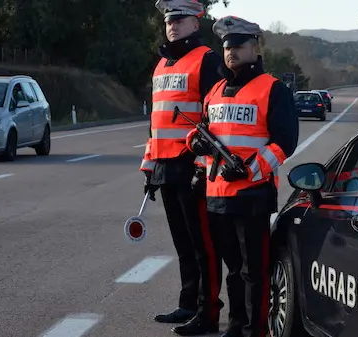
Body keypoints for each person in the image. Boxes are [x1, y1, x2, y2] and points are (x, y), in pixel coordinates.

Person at [184, 15, 299, 337]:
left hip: (252, 195)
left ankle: (254, 330)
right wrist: (195, 145)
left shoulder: (273, 89)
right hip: (217, 195)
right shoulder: (216, 90)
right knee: (233, 270)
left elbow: (283, 143)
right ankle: (235, 327)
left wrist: (249, 170)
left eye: (238, 46)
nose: (231, 52)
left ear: (254, 47)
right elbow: (204, 133)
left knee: (254, 271)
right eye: (227, 47)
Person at [140, 0, 224, 335]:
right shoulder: (161, 64)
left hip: (192, 168)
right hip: (166, 167)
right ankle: (188, 303)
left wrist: (203, 168)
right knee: (182, 243)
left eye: (180, 19)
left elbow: (214, 118)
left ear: (196, 23)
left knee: (203, 243)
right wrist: (150, 168)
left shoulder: (206, 60)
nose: (173, 25)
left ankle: (208, 312)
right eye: (169, 20)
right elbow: (155, 122)